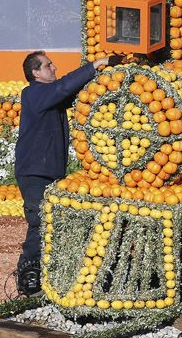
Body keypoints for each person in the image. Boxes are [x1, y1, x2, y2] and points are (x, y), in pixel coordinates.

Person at [14, 51, 115, 295]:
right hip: (35, 173)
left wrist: (107, 78)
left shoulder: (48, 96)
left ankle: (46, 273)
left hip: (47, 172)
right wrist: (95, 65)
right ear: (36, 73)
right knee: (39, 221)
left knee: (50, 222)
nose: (54, 67)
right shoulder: (33, 94)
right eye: (48, 65)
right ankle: (28, 275)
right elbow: (63, 87)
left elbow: (73, 91)